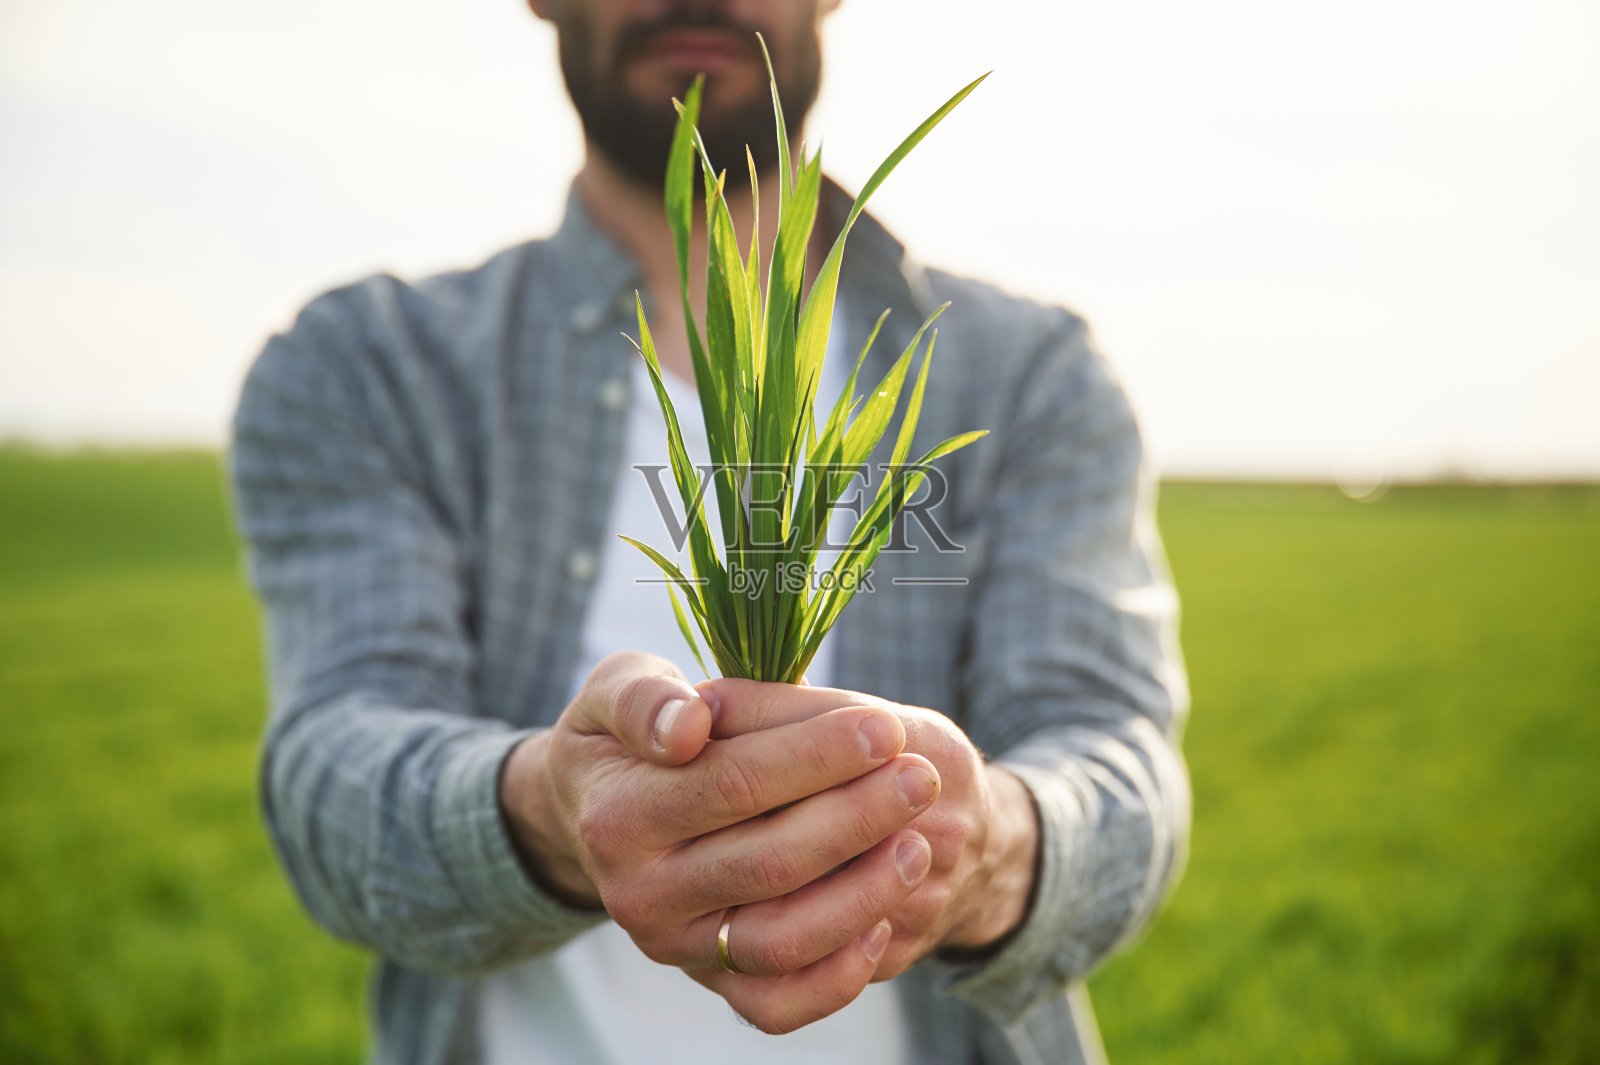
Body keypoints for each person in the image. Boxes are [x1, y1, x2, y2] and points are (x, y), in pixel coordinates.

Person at [226, 1, 1192, 1062]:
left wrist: (988, 842)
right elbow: (330, 777)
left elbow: (1118, 758)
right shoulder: (373, 366)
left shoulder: (1027, 375)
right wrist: (550, 811)